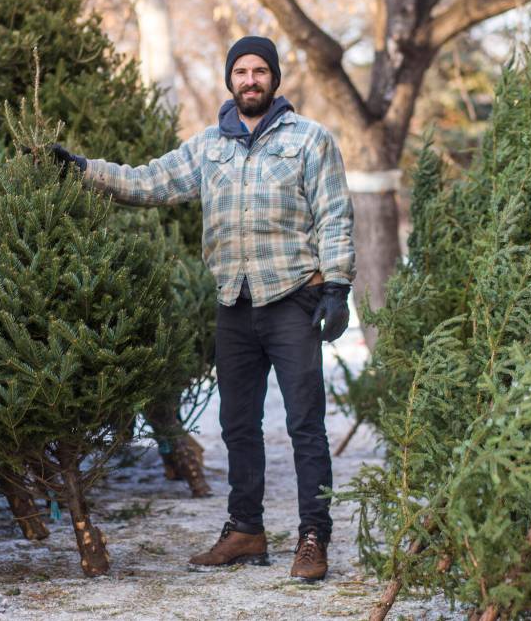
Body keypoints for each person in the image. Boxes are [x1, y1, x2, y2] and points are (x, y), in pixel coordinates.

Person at [47, 36, 355, 582]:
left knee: (305, 424)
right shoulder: (208, 147)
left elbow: (334, 215)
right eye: (242, 70)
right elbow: (148, 182)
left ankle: (313, 537)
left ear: (275, 79)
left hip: (293, 299)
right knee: (239, 425)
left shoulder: (310, 140)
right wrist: (83, 170)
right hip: (233, 303)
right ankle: (245, 531)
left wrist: (336, 288)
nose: (252, 79)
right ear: (230, 80)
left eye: (261, 70)